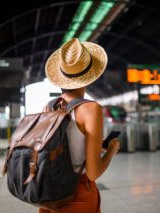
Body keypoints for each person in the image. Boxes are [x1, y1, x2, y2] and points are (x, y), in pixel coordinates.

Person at [39, 38, 120, 213]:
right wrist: (112, 150)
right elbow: (93, 173)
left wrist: (97, 145)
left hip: (47, 194)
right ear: (88, 77)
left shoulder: (49, 106)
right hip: (77, 195)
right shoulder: (91, 109)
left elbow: (60, 146)